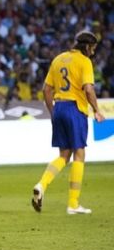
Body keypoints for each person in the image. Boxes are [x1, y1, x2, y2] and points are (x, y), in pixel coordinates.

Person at [31, 30, 105, 214]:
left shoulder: (58, 59)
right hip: (75, 109)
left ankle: (42, 184)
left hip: (59, 107)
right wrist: (96, 110)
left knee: (64, 155)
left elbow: (46, 90)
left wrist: (53, 112)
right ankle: (73, 204)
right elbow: (88, 89)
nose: (93, 52)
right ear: (87, 47)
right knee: (79, 154)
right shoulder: (84, 61)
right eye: (93, 48)